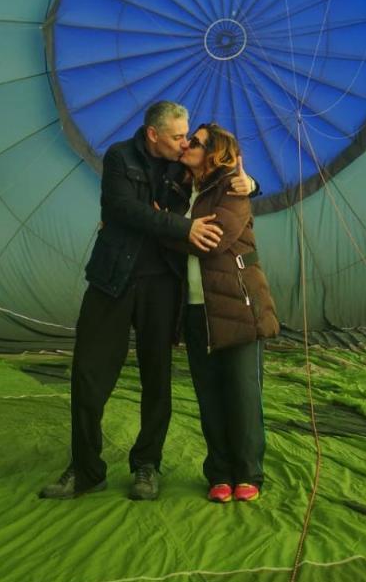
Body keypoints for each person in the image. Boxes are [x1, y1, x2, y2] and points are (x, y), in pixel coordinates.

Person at [40, 101, 255, 501]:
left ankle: (147, 465)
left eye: (188, 136)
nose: (185, 142)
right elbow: (122, 210)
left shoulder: (184, 165)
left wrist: (251, 183)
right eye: (177, 136)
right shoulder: (120, 157)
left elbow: (223, 174)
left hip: (162, 286)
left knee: (157, 380)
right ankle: (86, 469)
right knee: (88, 376)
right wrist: (180, 226)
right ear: (153, 135)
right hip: (112, 281)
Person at [169, 123, 279, 503]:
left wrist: (165, 229)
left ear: (213, 152)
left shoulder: (233, 188)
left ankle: (248, 472)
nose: (186, 146)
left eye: (195, 143)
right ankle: (219, 471)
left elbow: (214, 241)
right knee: (208, 394)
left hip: (238, 305)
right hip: (197, 309)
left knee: (243, 393)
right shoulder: (181, 188)